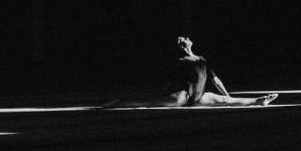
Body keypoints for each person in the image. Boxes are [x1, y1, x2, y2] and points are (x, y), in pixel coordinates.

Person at [99, 37, 278, 109]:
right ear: (182, 45)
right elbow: (167, 81)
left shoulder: (202, 59)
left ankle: (259, 101)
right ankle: (118, 103)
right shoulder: (180, 61)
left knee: (224, 101)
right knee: (148, 102)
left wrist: (228, 97)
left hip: (199, 96)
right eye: (183, 38)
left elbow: (216, 80)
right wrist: (165, 90)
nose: (186, 38)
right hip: (183, 96)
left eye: (186, 37)